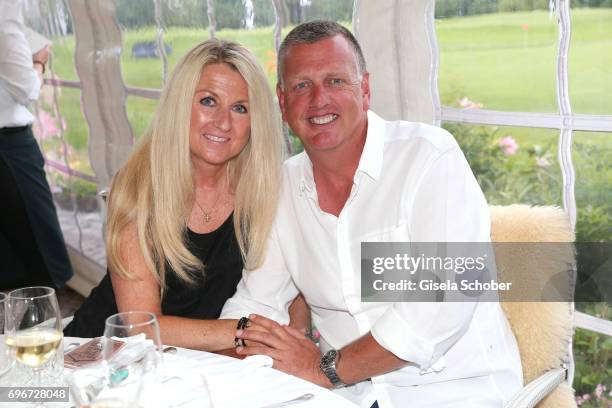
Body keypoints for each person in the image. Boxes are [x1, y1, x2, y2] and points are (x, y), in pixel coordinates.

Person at [221, 21, 523, 407]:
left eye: (335, 81)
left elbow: (438, 306)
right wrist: (208, 350)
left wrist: (325, 367)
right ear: (282, 103)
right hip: (346, 398)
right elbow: (258, 304)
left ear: (364, 89)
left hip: (457, 392)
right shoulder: (282, 188)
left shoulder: (429, 158)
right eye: (301, 86)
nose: (318, 100)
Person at [64, 39, 291, 349]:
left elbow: (295, 283)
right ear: (181, 104)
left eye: (240, 108)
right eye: (208, 101)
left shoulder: (264, 189)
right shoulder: (137, 186)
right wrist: (250, 332)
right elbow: (142, 327)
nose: (223, 122)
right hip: (109, 358)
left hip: (201, 364)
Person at [0, 0, 73, 289]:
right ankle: (43, 323)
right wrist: (39, 61)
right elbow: (27, 88)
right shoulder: (5, 17)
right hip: (9, 149)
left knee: (11, 257)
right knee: (43, 255)